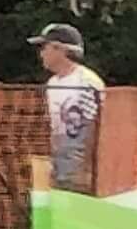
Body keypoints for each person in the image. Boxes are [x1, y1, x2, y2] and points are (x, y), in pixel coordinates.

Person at [33, 23, 108, 194]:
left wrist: (87, 167)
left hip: (78, 158)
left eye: (44, 47)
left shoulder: (86, 81)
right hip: (57, 155)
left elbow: (96, 124)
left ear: (59, 49)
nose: (41, 53)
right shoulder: (52, 83)